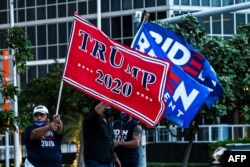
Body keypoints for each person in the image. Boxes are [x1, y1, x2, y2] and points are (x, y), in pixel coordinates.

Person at [83, 100, 121, 167]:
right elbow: (96, 112)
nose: (109, 108)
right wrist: (107, 98)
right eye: (106, 106)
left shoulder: (108, 122)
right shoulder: (92, 120)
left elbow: (109, 142)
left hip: (109, 161)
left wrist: (115, 157)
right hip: (96, 161)